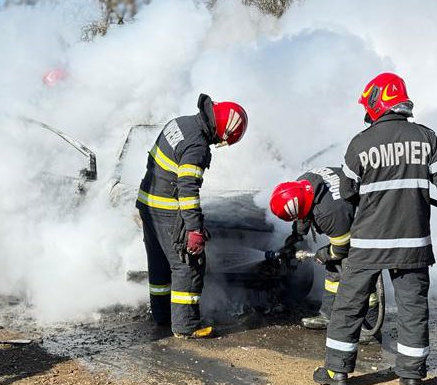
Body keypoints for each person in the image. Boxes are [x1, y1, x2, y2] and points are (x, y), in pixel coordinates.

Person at [314, 72, 437, 385]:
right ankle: (411, 377)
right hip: (413, 243)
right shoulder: (426, 138)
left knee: (350, 303)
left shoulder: (360, 144)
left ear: (378, 103)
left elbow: (348, 192)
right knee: (412, 306)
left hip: (367, 244)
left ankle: (337, 371)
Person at [136, 93, 248, 339]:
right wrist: (195, 230)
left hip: (148, 204)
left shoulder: (182, 122)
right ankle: (186, 326)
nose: (221, 142)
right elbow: (187, 191)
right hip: (167, 209)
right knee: (188, 265)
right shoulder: (197, 146)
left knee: (160, 265)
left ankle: (163, 315)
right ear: (224, 130)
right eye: (225, 139)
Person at [268, 168, 381, 341]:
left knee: (361, 277)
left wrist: (324, 254)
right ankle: (328, 314)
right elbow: (302, 215)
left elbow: (341, 249)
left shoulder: (330, 214)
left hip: (370, 225)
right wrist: (294, 238)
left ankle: (370, 329)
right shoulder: (304, 183)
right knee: (333, 269)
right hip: (348, 215)